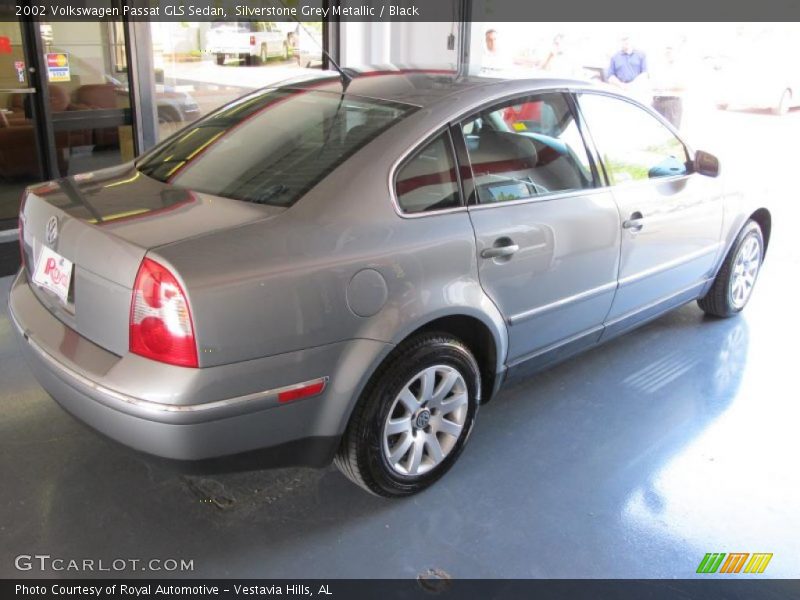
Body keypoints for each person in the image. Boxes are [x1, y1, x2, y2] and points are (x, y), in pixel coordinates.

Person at [651, 45, 688, 129]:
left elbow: (683, 86)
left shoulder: (681, 66)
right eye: (666, 49)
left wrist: (665, 87)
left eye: (670, 49)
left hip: (672, 102)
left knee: (670, 135)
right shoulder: (658, 65)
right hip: (657, 102)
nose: (668, 52)